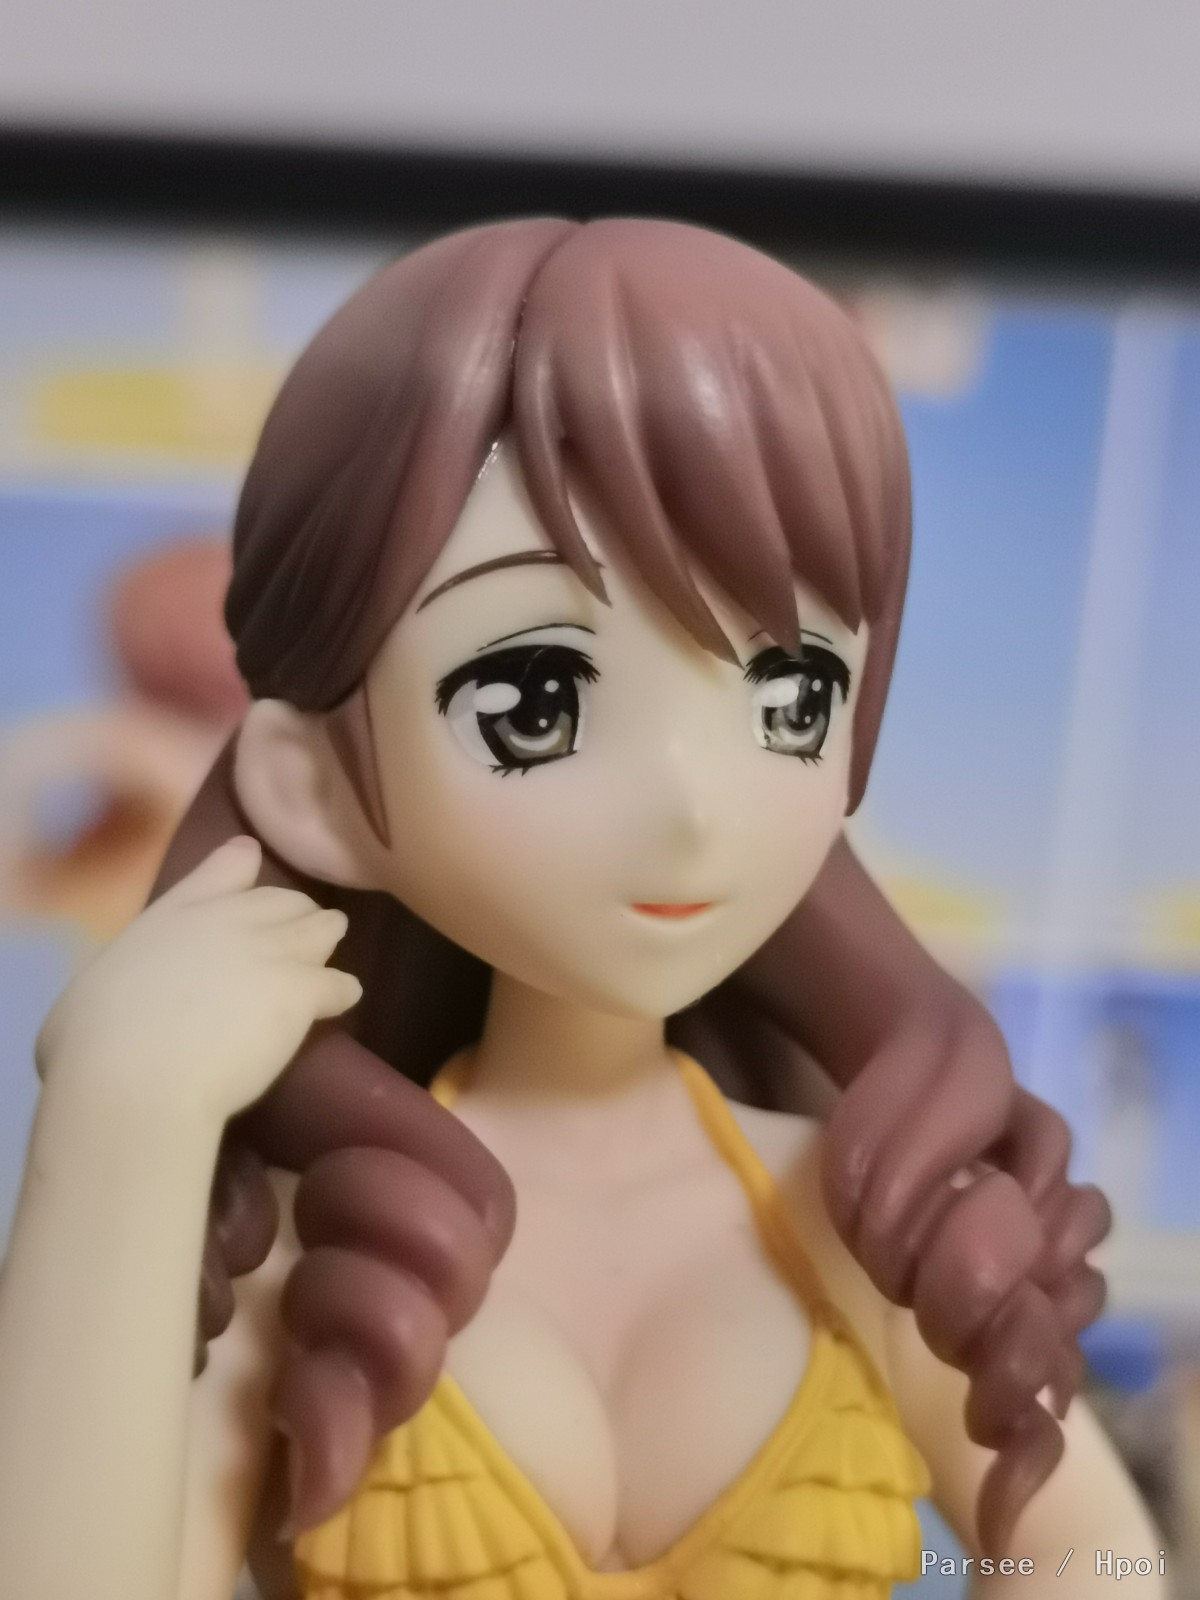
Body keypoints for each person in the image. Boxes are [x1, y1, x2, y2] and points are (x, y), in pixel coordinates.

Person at [0, 220, 1155, 1600]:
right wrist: (120, 1120)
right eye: (535, 700)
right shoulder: (307, 1255)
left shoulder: (866, 1221)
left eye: (792, 698)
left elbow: (1098, 1555)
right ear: (315, 787)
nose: (692, 805)